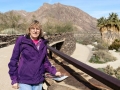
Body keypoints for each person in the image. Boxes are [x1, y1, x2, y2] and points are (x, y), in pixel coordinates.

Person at [8, 20, 61, 90]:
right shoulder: (22, 40)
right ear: (29, 30)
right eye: (33, 28)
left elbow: (45, 61)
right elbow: (14, 60)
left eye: (37, 29)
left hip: (38, 80)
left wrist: (54, 71)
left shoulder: (43, 43)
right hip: (24, 80)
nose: (35, 31)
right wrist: (14, 79)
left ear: (40, 31)